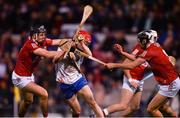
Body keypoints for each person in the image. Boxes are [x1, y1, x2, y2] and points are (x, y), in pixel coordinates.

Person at [105, 30, 180, 117]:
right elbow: (135, 59)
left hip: (170, 83)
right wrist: (122, 52)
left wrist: (113, 65)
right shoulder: (154, 47)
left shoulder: (150, 52)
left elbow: (132, 66)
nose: (139, 43)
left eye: (140, 41)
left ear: (145, 41)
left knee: (151, 109)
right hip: (168, 82)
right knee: (164, 107)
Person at [11, 25, 70, 117]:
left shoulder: (41, 41)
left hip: (28, 76)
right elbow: (47, 54)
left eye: (44, 34)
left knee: (28, 101)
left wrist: (72, 41)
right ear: (34, 36)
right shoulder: (30, 45)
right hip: (20, 77)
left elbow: (57, 41)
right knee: (44, 94)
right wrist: (65, 53)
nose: (44, 37)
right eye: (41, 35)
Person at [54, 30, 104, 117]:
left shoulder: (83, 49)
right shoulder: (65, 44)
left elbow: (90, 54)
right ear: (77, 39)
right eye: (85, 42)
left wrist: (83, 44)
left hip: (78, 79)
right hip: (64, 82)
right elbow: (54, 60)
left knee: (93, 103)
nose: (86, 45)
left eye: (87, 43)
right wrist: (66, 54)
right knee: (77, 112)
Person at [103, 43, 149, 117]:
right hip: (131, 80)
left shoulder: (151, 52)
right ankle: (99, 114)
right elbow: (125, 67)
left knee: (135, 107)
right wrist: (131, 81)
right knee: (123, 106)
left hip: (139, 81)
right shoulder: (138, 50)